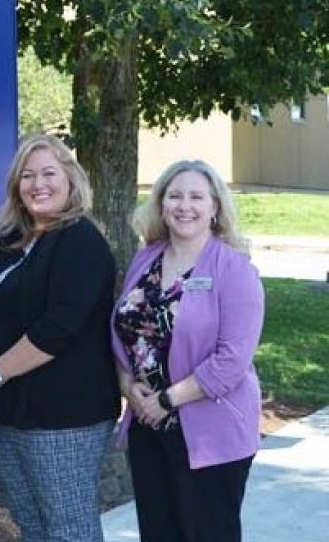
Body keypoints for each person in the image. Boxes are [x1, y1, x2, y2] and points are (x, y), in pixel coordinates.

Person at [0, 134, 120, 542]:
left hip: (64, 413)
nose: (38, 184)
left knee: (68, 528)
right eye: (27, 176)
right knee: (30, 523)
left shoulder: (80, 240)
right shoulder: (9, 240)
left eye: (49, 173)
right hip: (10, 410)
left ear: (70, 179)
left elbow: (59, 327)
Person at [110, 160, 264, 542]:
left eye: (196, 197)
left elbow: (232, 361)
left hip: (211, 432)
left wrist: (165, 400)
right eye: (175, 196)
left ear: (215, 206)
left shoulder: (234, 269)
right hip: (148, 426)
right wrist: (128, 386)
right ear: (161, 205)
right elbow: (126, 333)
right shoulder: (146, 258)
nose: (184, 206)